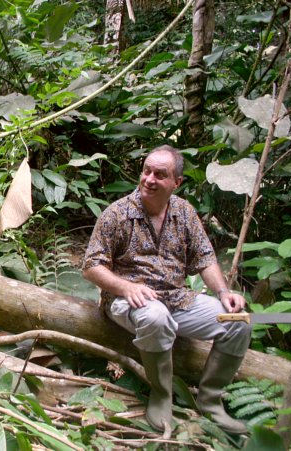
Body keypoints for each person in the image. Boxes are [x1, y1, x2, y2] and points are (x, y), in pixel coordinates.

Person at [82, 145, 252, 435]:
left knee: (238, 322)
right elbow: (91, 266)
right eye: (146, 171)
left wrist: (224, 292)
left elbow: (205, 258)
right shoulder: (117, 214)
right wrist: (125, 287)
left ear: (177, 182)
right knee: (155, 317)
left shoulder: (184, 212)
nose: (149, 179)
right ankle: (161, 394)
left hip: (177, 298)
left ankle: (209, 401)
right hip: (128, 301)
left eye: (160, 175)